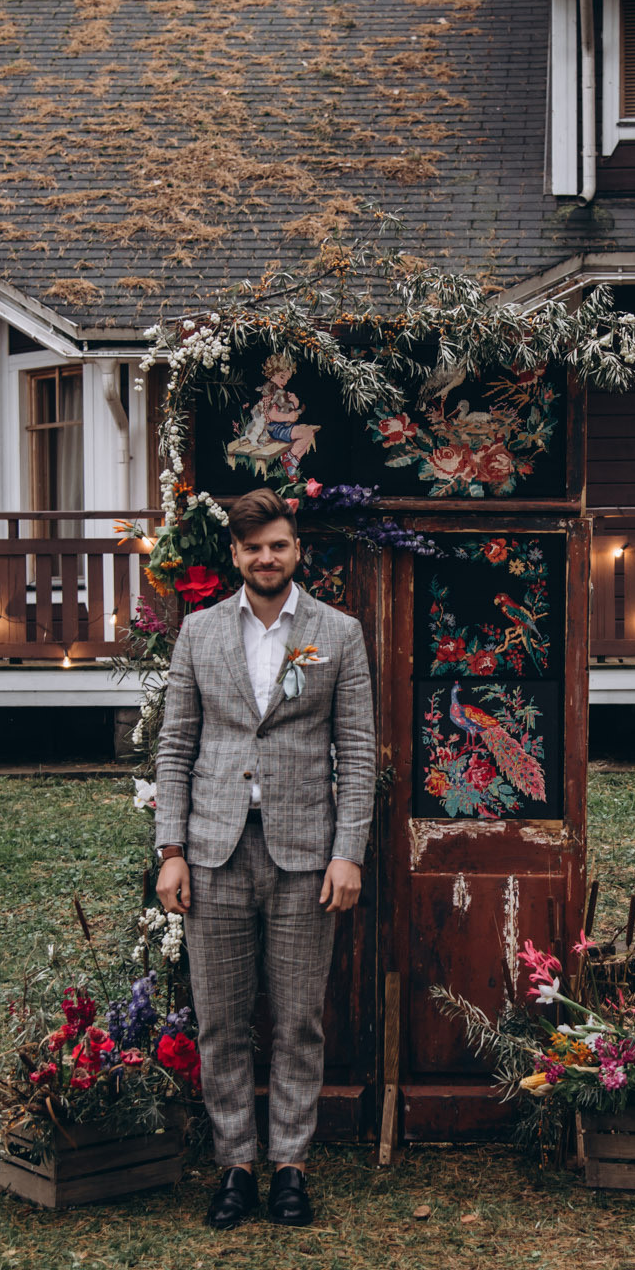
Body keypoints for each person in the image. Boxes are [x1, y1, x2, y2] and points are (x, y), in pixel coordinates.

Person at [151, 487, 376, 1229]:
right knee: (219, 1019)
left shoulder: (338, 633)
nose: (266, 557)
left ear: (296, 548)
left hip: (306, 854)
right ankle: (234, 1167)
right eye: (252, 547)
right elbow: (177, 746)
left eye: (277, 544)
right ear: (235, 555)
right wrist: (171, 849)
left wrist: (349, 852)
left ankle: (290, 1166)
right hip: (214, 851)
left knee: (297, 1020)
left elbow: (358, 752)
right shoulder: (198, 632)